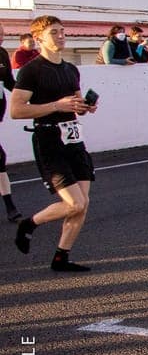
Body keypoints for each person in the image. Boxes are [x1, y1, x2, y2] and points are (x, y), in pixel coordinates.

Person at [9, 15, 99, 272]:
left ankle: (61, 257)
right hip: (49, 141)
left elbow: (76, 104)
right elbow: (16, 110)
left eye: (62, 31)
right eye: (54, 32)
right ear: (38, 38)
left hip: (74, 140)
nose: (61, 36)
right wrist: (56, 106)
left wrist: (85, 107)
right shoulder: (31, 71)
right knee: (75, 203)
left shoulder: (70, 69)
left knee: (83, 204)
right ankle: (29, 224)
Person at [0, 23, 23, 222]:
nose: (2, 36)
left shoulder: (2, 54)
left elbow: (9, 82)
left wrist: (28, 94)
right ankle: (10, 206)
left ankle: (9, 206)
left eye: (2, 33)